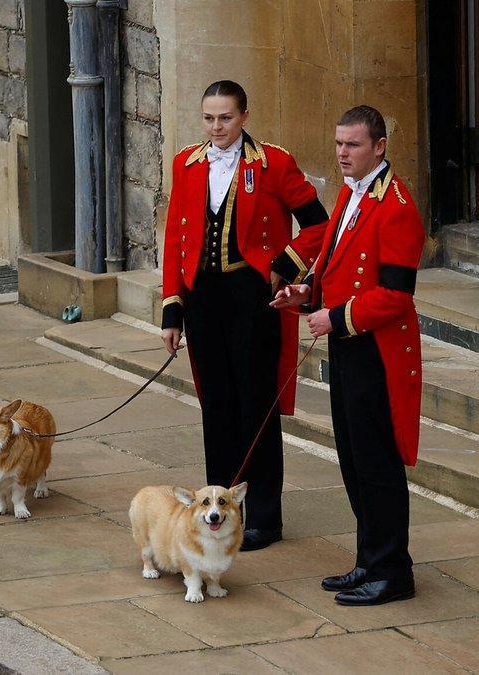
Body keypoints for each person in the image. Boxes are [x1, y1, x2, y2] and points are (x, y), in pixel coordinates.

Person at [161, 80, 329, 551]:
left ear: (244, 117)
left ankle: (266, 518)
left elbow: (318, 224)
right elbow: (175, 237)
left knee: (256, 407)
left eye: (226, 118)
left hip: (253, 297)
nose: (217, 127)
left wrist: (284, 266)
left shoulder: (273, 163)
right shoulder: (186, 163)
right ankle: (218, 512)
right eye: (209, 118)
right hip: (204, 300)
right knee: (216, 405)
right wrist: (172, 309)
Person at [270, 105, 425, 604]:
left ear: (379, 147)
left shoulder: (396, 205)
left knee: (377, 463)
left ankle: (392, 571)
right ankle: (369, 560)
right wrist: (305, 295)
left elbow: (397, 295)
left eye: (352, 145)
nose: (342, 154)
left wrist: (336, 318)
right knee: (354, 460)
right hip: (349, 348)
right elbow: (333, 267)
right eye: (338, 144)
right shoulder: (349, 195)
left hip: (377, 353)